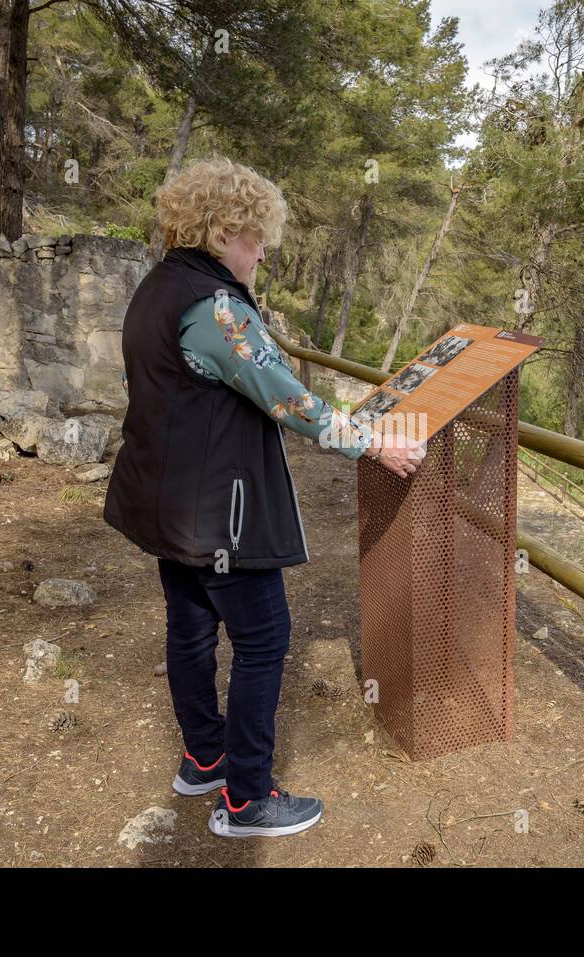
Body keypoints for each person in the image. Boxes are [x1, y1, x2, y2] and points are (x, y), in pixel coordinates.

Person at [104, 156, 424, 838]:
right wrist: (373, 441)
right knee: (264, 636)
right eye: (255, 238)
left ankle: (204, 755)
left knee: (190, 626)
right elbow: (289, 399)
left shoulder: (158, 286)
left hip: (167, 507)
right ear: (222, 231)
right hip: (221, 512)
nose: (262, 252)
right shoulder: (216, 309)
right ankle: (247, 796)